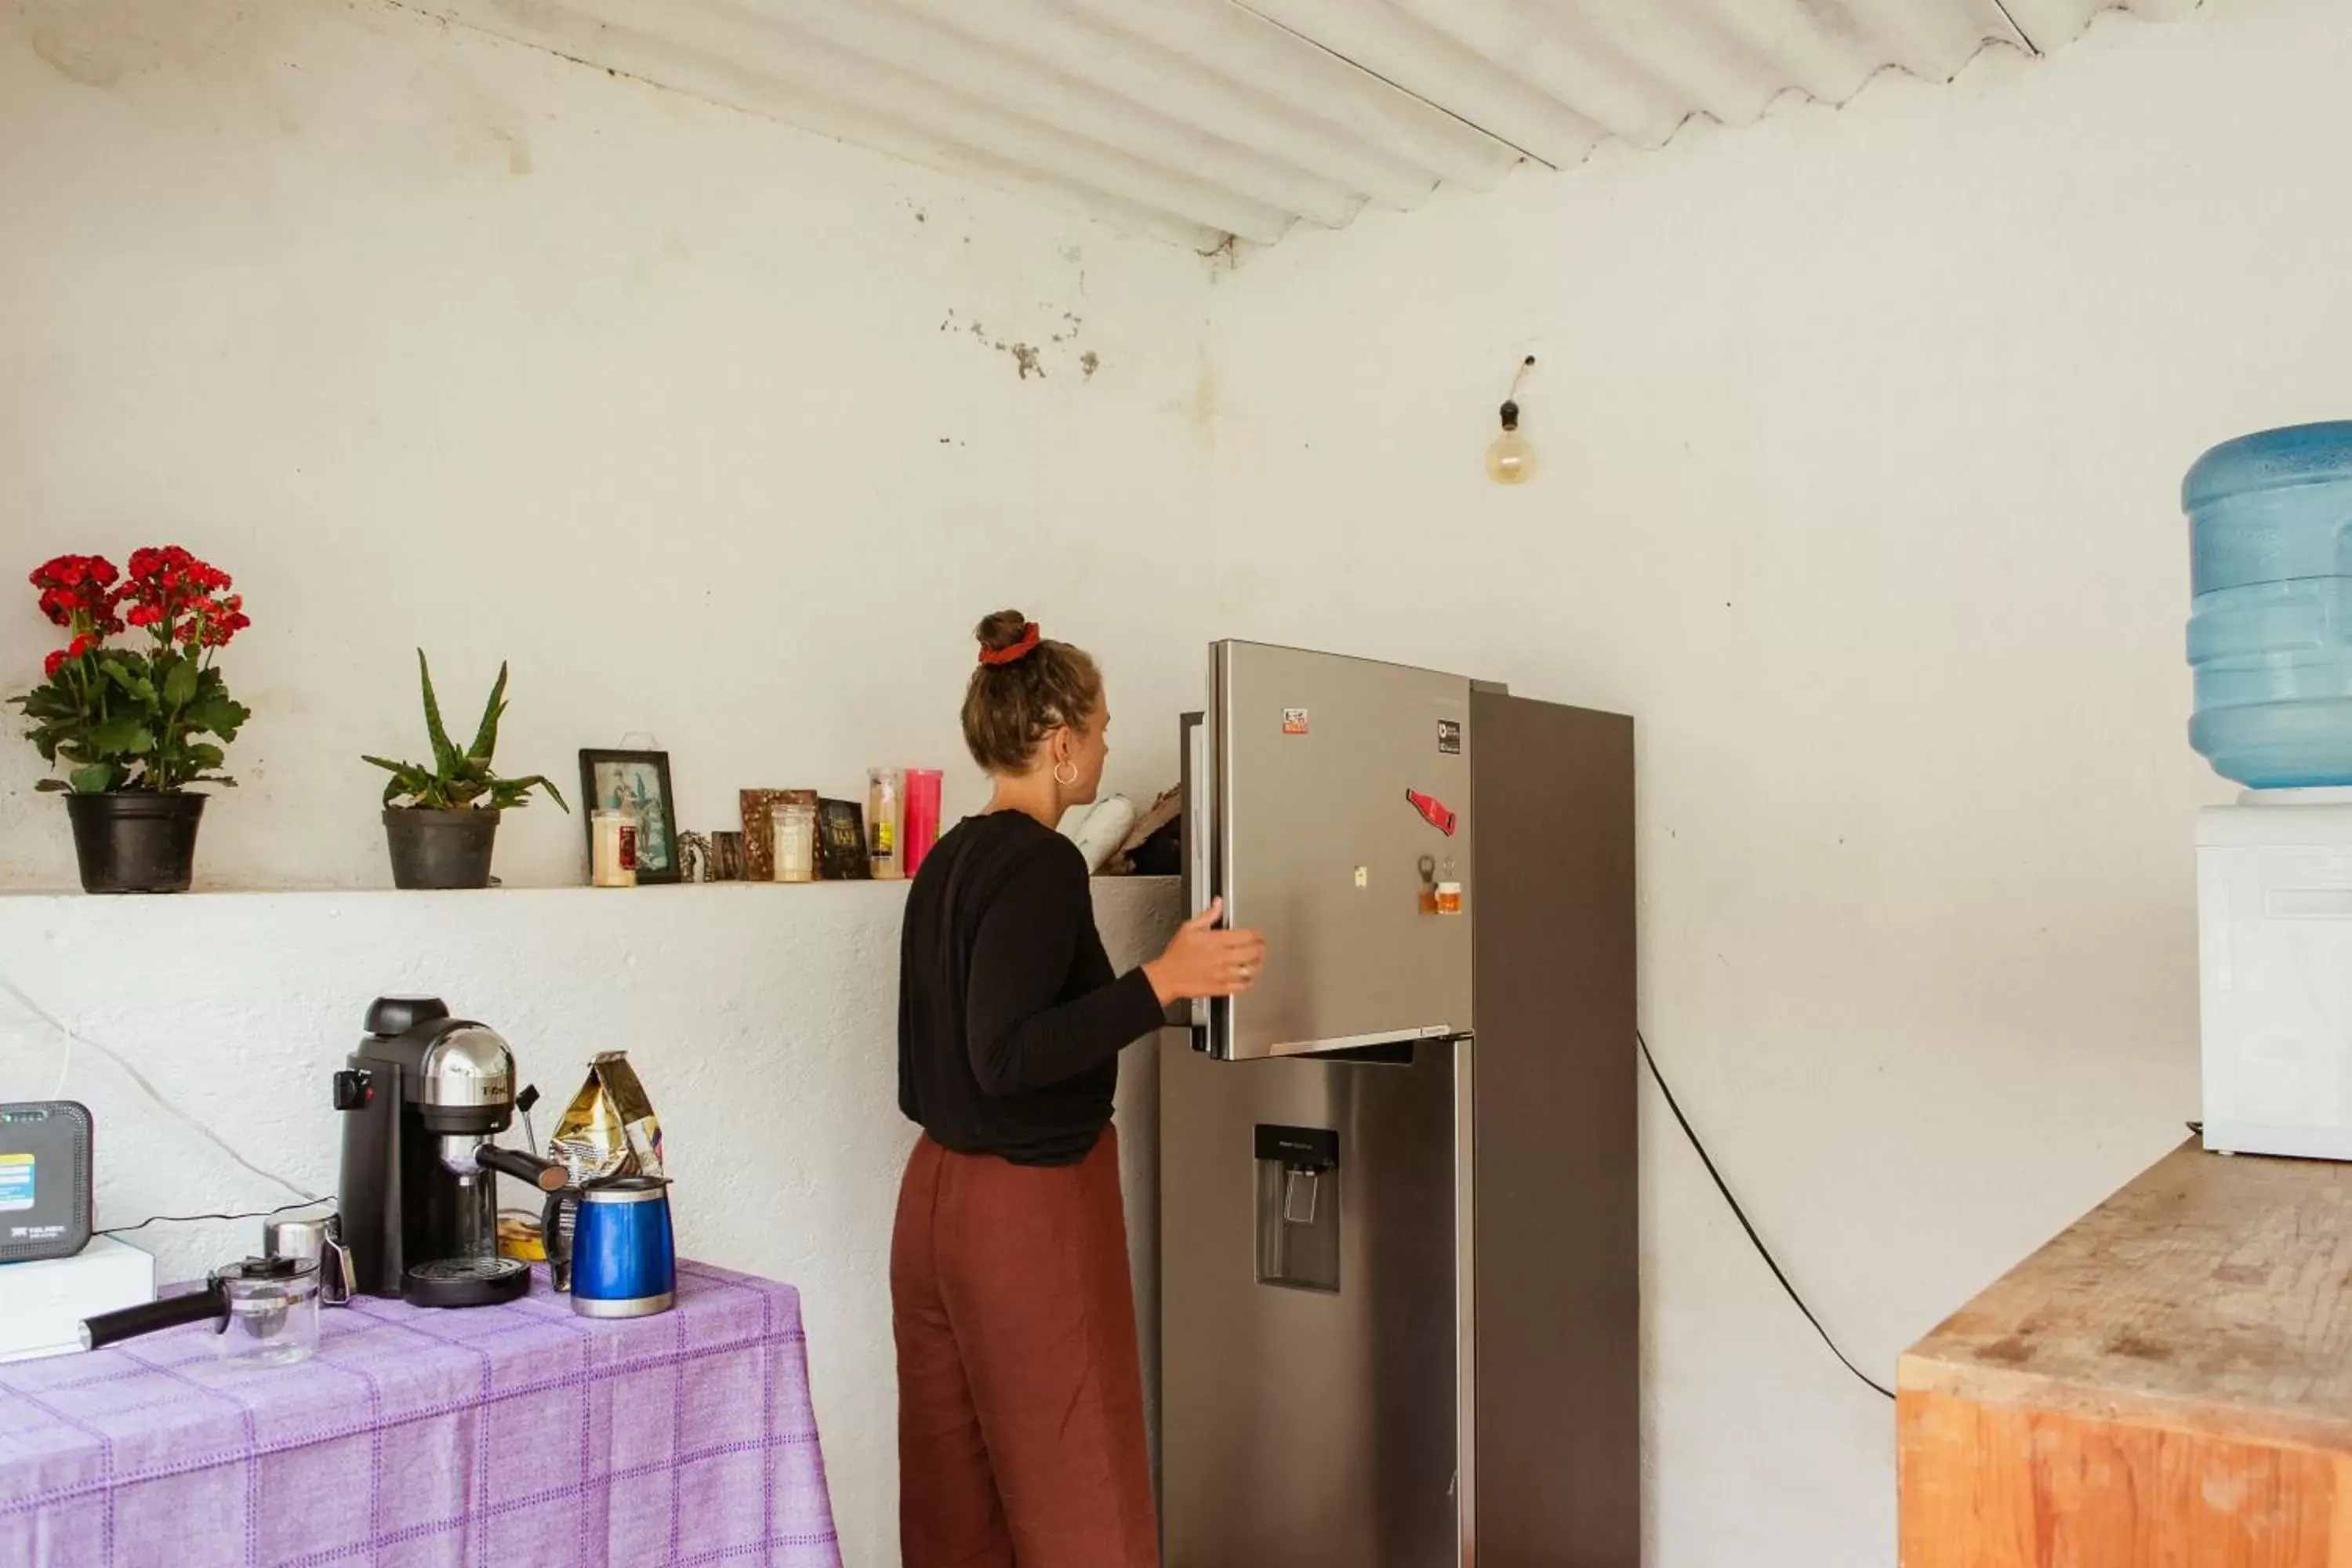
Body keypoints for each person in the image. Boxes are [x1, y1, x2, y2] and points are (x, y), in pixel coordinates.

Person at [894, 610, 1266, 1568]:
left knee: (956, 1502)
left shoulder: (946, 860)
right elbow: (1006, 1054)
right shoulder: (1042, 864)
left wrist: (1156, 993)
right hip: (1027, 1209)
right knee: (1080, 1493)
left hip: (934, 1197)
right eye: (1099, 727)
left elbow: (961, 1047)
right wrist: (1163, 980)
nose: (1107, 742)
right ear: (1060, 746)